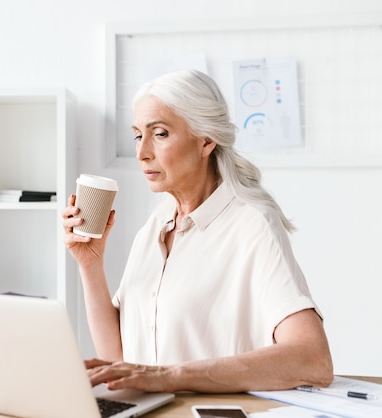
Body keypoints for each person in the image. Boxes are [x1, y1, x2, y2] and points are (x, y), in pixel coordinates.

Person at [62, 69, 333, 394]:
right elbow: (119, 362)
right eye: (138, 135)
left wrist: (171, 377)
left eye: (159, 133)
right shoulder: (155, 227)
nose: (142, 152)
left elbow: (313, 360)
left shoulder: (251, 225)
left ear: (206, 141)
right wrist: (90, 264)